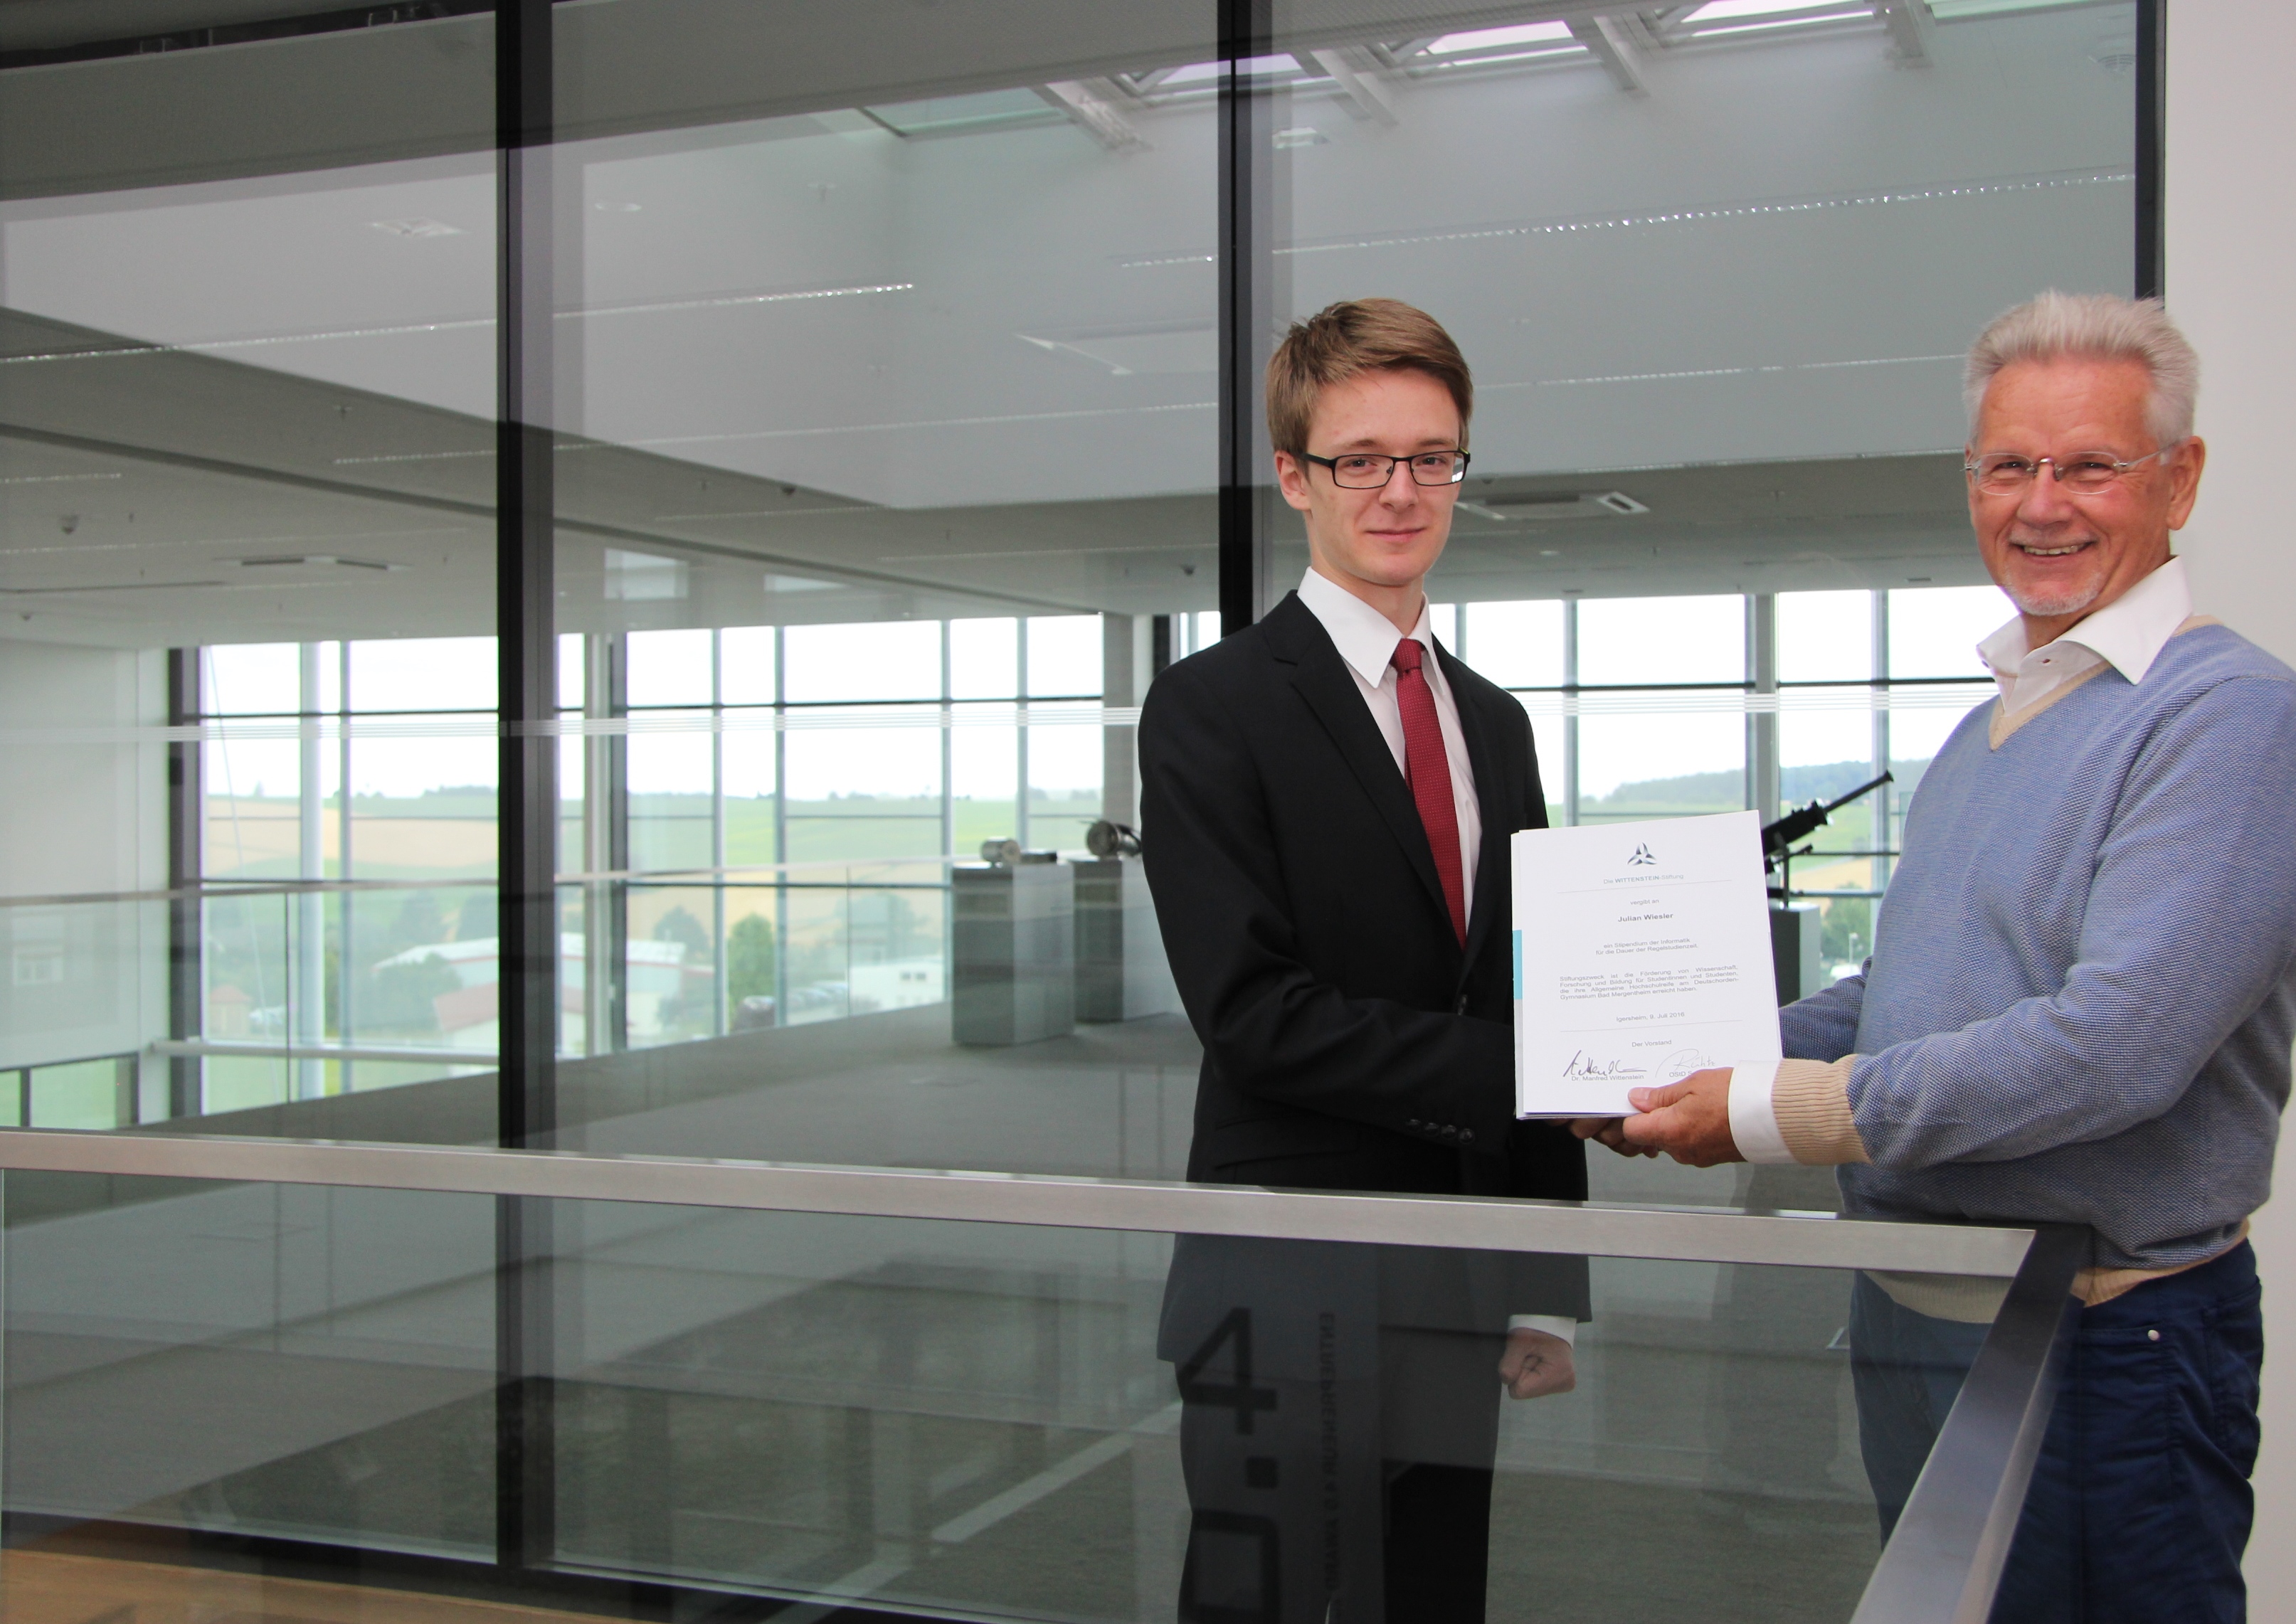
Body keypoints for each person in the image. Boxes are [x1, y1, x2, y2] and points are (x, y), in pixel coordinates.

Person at [1583, 290, 2296, 1623]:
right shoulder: (1990, 728)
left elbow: (2115, 1050)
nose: (2042, 504)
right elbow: (1905, 989)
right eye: (2007, 466)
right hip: (1918, 1313)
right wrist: (1681, 1055)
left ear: (2181, 478)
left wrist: (1772, 1110)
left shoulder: (2232, 718)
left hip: (2101, 1340)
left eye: (2089, 465)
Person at [1139, 298, 1587, 1624]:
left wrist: (1547, 1285)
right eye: (1362, 460)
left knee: (1436, 1601)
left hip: (1461, 1273)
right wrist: (1527, 1072)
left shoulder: (1495, 723)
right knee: (1261, 1608)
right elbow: (1253, 1015)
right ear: (1296, 478)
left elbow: (1522, 982)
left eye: (1431, 457)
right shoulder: (1211, 706)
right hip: (1285, 1285)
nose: (1402, 490)